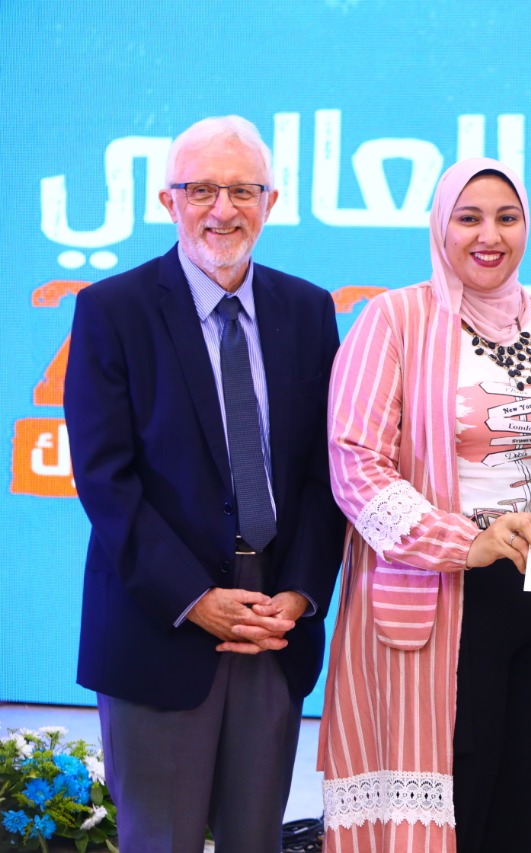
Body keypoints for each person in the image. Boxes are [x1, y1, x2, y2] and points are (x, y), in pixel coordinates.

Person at [320, 157, 531, 852]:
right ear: (441, 226)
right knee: (455, 813)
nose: (489, 235)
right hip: (441, 606)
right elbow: (356, 466)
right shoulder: (393, 320)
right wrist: (468, 541)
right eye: (469, 218)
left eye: (506, 217)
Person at [64, 115, 345, 852]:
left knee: (256, 841)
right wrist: (195, 599)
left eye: (243, 190)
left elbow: (326, 475)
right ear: (168, 200)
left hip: (274, 626)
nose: (224, 209)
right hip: (160, 624)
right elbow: (105, 480)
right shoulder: (111, 310)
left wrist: (300, 594)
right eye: (202, 190)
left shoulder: (309, 310)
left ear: (271, 201)